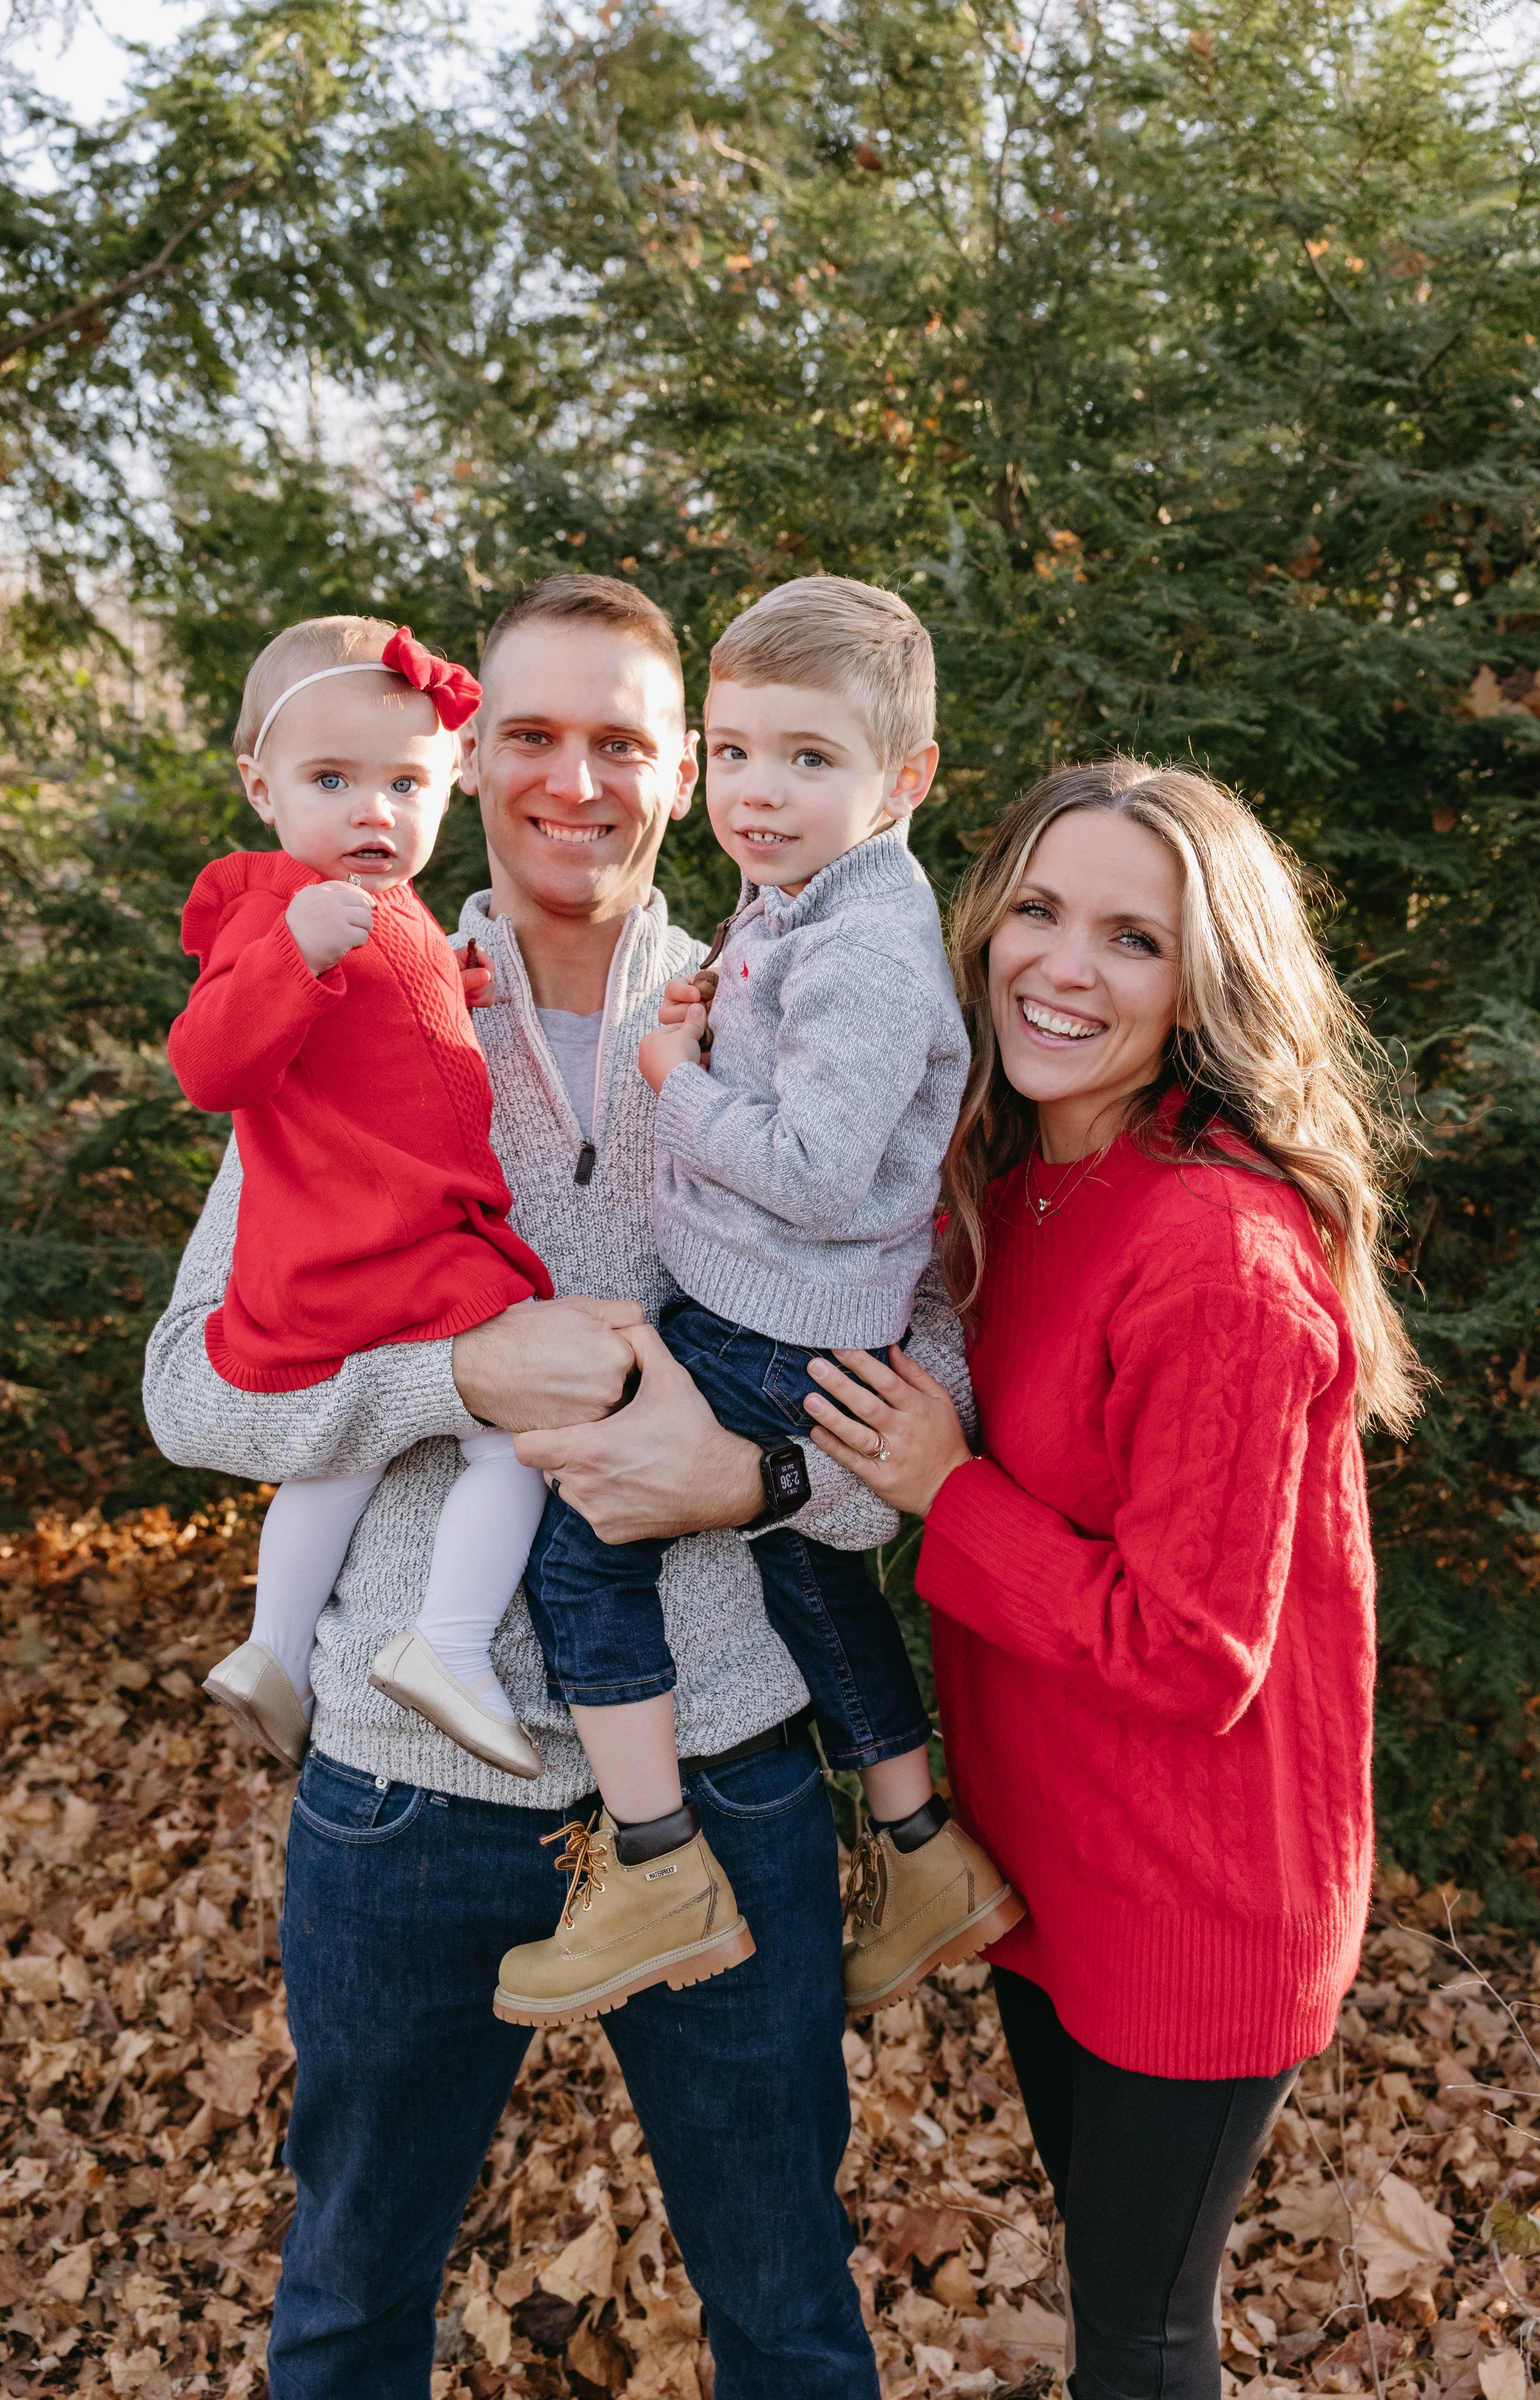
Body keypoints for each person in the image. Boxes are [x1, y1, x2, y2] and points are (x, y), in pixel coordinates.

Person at [144, 572, 966, 2400]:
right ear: (467, 756)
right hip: (399, 1793)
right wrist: (449, 1379)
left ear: (687, 768)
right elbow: (190, 1385)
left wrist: (752, 1476)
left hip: (733, 1770)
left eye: (619, 741)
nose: (570, 780)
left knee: (788, 2312)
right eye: (529, 735)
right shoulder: (349, 981)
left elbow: (929, 1390)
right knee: (351, 2304)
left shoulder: (793, 993)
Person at [800, 757, 1423, 2400]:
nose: (1063, 967)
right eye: (1042, 911)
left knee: (1142, 2340)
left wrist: (949, 1488)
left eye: (1133, 940)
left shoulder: (1219, 1253)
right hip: (1056, 1862)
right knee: (1108, 2285)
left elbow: (1189, 1649)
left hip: (1194, 1897)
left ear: (1204, 985)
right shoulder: (1021, 1180)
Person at [498, 576, 1019, 2031]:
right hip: (782, 1307)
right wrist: (713, 1023)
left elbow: (809, 1165)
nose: (757, 794)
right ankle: (920, 1845)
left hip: (779, 1316)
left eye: (807, 759)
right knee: (808, 1571)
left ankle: (657, 1861)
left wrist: (674, 1083)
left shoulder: (862, 942)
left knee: (588, 1536)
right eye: (733, 754)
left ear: (903, 779)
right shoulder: (807, 900)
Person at [172, 618, 556, 1786]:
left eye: (403, 781)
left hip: (353, 1261)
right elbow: (208, 1066)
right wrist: (288, 951)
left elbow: (397, 1029)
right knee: (521, 1439)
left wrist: (458, 981)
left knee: (334, 1465)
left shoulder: (396, 919)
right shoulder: (285, 912)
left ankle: (274, 1652)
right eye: (331, 781)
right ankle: (446, 1647)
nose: (372, 811)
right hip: (387, 1251)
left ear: (453, 780)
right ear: (261, 789)